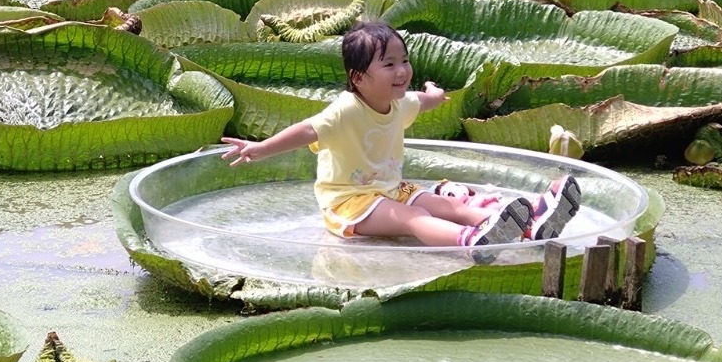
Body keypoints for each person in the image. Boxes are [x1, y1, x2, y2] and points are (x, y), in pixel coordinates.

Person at [221, 20, 580, 263]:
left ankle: (530, 223)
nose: (402, 71)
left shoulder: (397, 103)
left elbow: (419, 101)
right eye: (389, 64)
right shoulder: (345, 110)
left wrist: (434, 95)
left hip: (392, 189)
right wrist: (260, 148)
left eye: (404, 61)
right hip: (350, 202)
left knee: (446, 205)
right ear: (358, 78)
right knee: (414, 216)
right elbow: (307, 131)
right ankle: (470, 241)